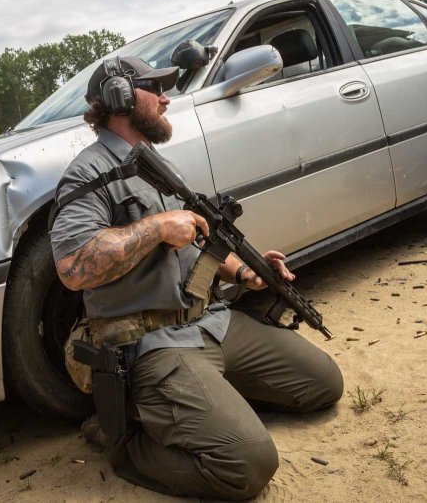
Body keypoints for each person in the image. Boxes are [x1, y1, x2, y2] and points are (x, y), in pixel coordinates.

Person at [50, 55, 343, 500]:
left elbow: (193, 243)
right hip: (153, 344)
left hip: (209, 323)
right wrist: (156, 227)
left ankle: (210, 404)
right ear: (120, 97)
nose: (168, 98)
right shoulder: (89, 172)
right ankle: (124, 441)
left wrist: (247, 270)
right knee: (247, 463)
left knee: (322, 383)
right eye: (156, 88)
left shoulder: (153, 166)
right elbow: (72, 267)